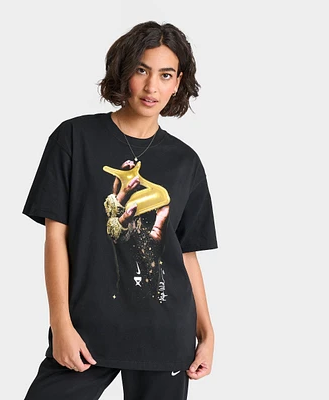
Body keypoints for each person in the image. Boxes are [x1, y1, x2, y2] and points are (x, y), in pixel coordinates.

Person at [21, 20, 219, 400]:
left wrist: (206, 333)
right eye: (142, 70)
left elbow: (185, 255)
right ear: (124, 70)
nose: (152, 87)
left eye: (165, 75)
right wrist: (60, 324)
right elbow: (56, 237)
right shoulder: (74, 139)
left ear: (178, 82)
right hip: (88, 331)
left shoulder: (185, 162)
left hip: (165, 335)